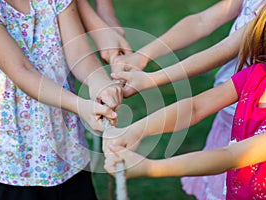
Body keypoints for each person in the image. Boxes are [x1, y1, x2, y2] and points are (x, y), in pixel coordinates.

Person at [103, 5, 266, 199]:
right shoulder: (255, 76)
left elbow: (230, 155)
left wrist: (150, 167)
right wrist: (137, 130)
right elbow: (195, 107)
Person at [0, 0, 122, 199]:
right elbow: (21, 70)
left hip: (65, 140)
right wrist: (80, 106)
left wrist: (100, 82)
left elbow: (79, 52)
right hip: (14, 153)